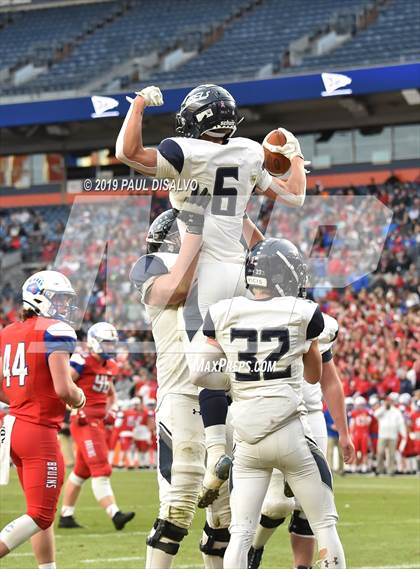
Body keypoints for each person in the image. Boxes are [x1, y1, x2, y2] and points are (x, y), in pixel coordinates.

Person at [116, 82, 307, 517]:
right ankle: (268, 461)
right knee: (244, 373)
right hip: (239, 273)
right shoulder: (248, 151)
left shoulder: (186, 151)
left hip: (202, 272)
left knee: (200, 368)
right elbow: (294, 195)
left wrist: (139, 104)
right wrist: (294, 153)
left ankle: (216, 455)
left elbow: (128, 151)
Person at [191, 238, 346, 569]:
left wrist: (238, 376)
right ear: (286, 276)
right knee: (324, 525)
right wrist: (307, 348)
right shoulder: (303, 313)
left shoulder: (224, 312)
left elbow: (200, 375)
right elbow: (315, 376)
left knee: (241, 533)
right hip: (291, 432)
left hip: (247, 438)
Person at [130, 208, 207, 569]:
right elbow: (179, 289)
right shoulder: (152, 267)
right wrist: (200, 236)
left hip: (221, 399)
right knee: (178, 508)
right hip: (180, 397)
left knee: (226, 516)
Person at [248, 313, 355, 569]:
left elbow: (329, 380)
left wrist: (344, 431)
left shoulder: (318, 320)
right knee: (277, 505)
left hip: (312, 415)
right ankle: (255, 546)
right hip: (272, 416)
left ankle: (302, 566)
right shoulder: (251, 315)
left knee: (311, 506)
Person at [0, 270, 85, 568]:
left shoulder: (8, 331)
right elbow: (64, 389)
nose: (64, 305)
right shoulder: (55, 330)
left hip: (12, 427)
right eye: (58, 298)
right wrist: (80, 398)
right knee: (40, 514)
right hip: (38, 432)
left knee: (39, 512)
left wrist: (25, 400)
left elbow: (2, 388)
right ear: (37, 297)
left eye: (65, 299)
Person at [59, 322, 135, 531]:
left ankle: (66, 515)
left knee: (81, 472)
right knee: (101, 467)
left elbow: (110, 394)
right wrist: (72, 407)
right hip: (84, 421)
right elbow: (63, 385)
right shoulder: (82, 360)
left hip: (98, 422)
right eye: (106, 343)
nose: (110, 347)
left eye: (112, 343)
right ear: (94, 342)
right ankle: (115, 514)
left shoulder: (107, 365)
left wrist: (111, 410)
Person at [375, 393, 407, 475]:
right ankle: (379, 469)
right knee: (380, 452)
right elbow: (375, 415)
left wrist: (403, 433)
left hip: (393, 435)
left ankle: (391, 470)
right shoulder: (382, 410)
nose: (388, 402)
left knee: (392, 454)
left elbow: (400, 423)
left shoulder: (396, 411)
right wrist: (383, 408)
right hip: (382, 435)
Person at [350, 396, 372, 473]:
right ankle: (359, 466)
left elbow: (352, 425)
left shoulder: (356, 413)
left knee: (364, 452)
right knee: (358, 452)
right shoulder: (366, 413)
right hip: (361, 434)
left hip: (361, 433)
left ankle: (360, 466)